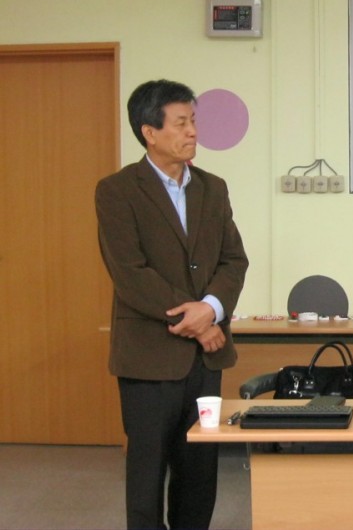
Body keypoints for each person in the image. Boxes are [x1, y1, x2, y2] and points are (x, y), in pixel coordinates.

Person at [95, 79, 248, 529]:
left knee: (199, 473)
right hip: (148, 358)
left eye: (193, 121)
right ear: (149, 132)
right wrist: (198, 319)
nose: (192, 132)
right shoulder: (117, 190)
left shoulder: (212, 188)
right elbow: (130, 272)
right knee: (147, 475)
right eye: (181, 123)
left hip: (206, 359)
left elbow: (233, 260)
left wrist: (212, 308)